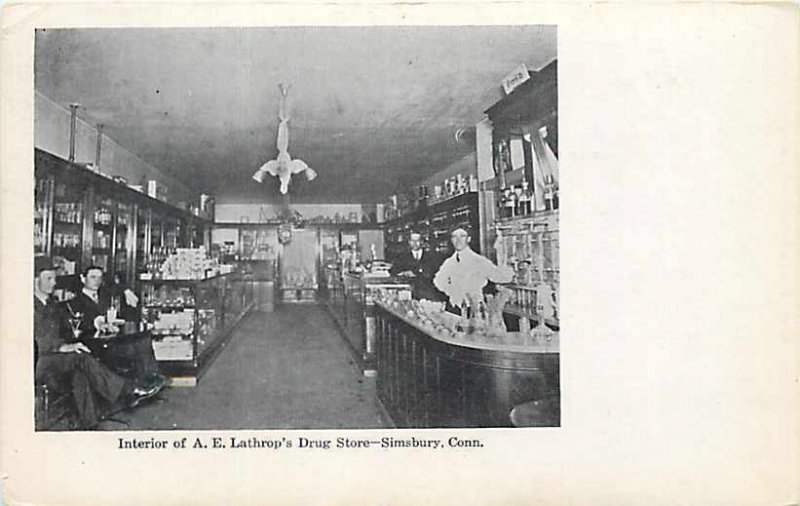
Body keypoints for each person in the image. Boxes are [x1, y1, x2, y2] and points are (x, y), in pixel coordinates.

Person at [33, 256, 162, 429]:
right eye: (49, 279)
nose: (54, 283)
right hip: (38, 361)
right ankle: (128, 390)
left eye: (54, 278)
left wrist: (72, 339)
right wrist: (62, 346)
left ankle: (89, 424)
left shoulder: (51, 304)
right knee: (82, 359)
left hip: (56, 357)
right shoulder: (30, 306)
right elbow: (34, 341)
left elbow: (66, 328)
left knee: (80, 370)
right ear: (35, 280)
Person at [68, 265, 166, 387]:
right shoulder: (76, 301)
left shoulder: (104, 295)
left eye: (99, 277)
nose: (97, 281)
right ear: (83, 279)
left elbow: (116, 285)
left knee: (142, 341)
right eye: (93, 277)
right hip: (93, 346)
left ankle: (151, 380)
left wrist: (126, 291)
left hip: (110, 342)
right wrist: (99, 323)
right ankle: (142, 384)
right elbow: (84, 321)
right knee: (136, 348)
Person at [433, 226, 514, 310]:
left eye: (462, 236)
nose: (458, 240)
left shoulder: (479, 261)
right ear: (451, 240)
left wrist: (509, 269)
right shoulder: (449, 262)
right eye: (454, 237)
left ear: (468, 239)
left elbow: (499, 276)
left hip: (474, 308)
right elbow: (438, 281)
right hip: (455, 307)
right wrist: (452, 291)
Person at [389, 232, 444, 301]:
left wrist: (417, 272)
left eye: (417, 240)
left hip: (428, 294)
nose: (415, 243)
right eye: (412, 241)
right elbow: (393, 271)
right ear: (409, 242)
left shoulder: (431, 257)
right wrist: (403, 273)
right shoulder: (402, 257)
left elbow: (434, 272)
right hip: (409, 293)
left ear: (422, 242)